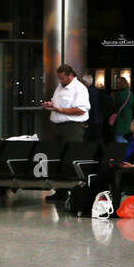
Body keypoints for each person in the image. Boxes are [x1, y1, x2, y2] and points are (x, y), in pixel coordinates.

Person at [42, 64, 90, 203]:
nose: (61, 81)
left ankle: (74, 191)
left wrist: (60, 110)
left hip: (72, 127)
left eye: (63, 78)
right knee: (58, 159)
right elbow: (58, 104)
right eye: (59, 78)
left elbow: (81, 110)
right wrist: (51, 105)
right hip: (58, 126)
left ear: (70, 75)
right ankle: (60, 191)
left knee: (70, 158)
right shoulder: (60, 87)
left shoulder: (79, 88)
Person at [109, 75, 134, 143]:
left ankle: (121, 150)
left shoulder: (119, 93)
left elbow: (115, 105)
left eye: (117, 83)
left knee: (118, 137)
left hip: (120, 117)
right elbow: (133, 103)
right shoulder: (130, 93)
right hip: (128, 116)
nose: (116, 84)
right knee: (122, 136)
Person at [82, 72, 103, 142]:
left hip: (91, 119)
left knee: (88, 140)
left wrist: (86, 122)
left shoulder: (86, 92)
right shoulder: (96, 90)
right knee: (97, 139)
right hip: (99, 118)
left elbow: (90, 107)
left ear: (85, 82)